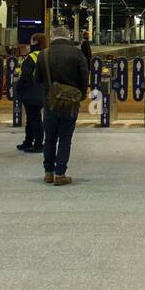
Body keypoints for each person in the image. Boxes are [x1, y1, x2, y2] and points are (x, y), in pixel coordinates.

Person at [38, 25, 89, 186]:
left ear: (52, 37)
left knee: (50, 139)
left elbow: (37, 79)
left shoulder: (44, 54)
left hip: (50, 102)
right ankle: (60, 174)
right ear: (68, 37)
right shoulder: (77, 53)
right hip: (70, 103)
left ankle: (48, 173)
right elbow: (84, 77)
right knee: (65, 138)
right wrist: (80, 95)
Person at [16, 34, 47, 153]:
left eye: (31, 41)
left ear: (35, 42)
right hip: (41, 91)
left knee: (35, 119)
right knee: (32, 118)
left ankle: (38, 144)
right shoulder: (44, 55)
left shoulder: (32, 57)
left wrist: (18, 87)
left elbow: (25, 76)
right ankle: (28, 142)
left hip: (31, 92)